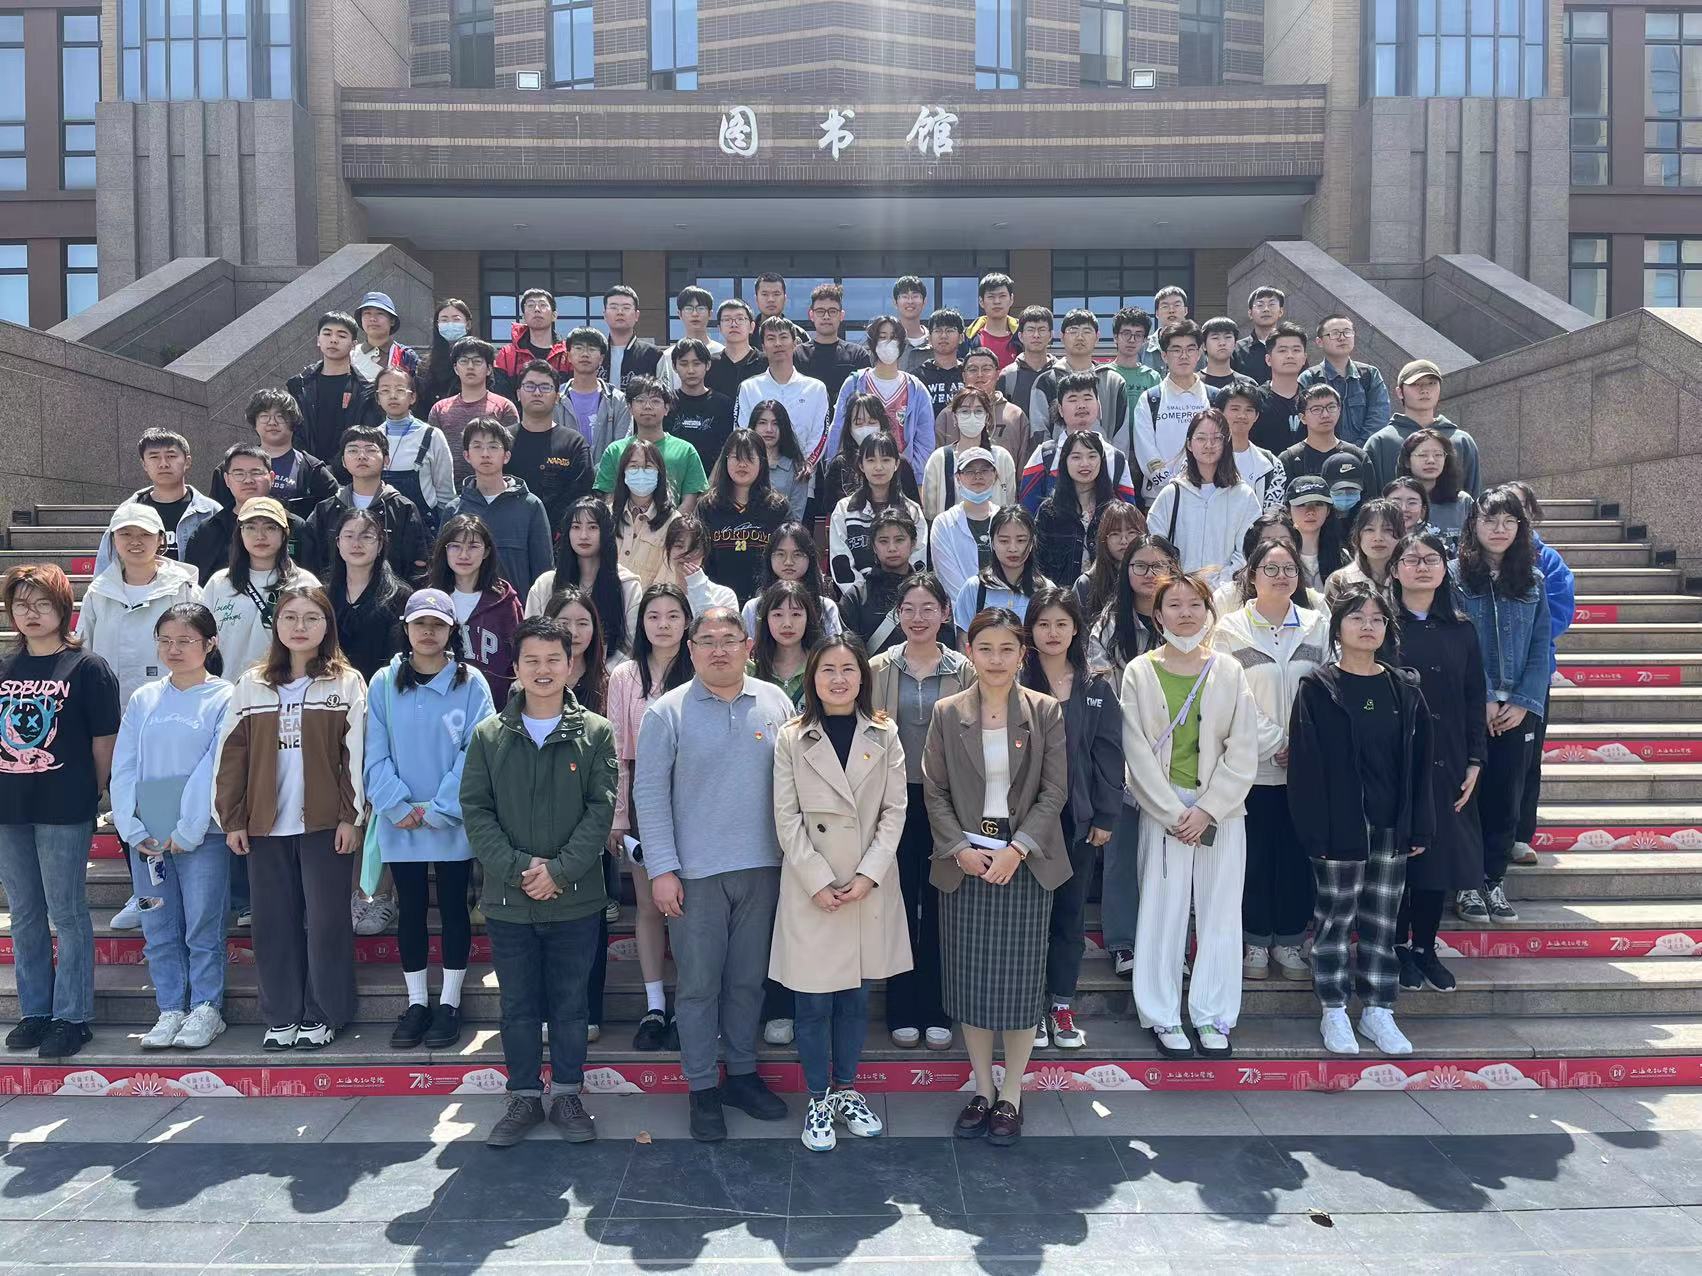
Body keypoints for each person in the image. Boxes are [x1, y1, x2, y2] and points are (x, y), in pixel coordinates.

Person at [632, 606, 796, 1142]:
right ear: (691, 649)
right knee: (699, 985)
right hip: (695, 875)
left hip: (764, 868)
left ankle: (742, 1074)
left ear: (748, 646)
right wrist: (662, 869)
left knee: (748, 981)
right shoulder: (666, 712)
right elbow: (649, 794)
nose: (719, 650)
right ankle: (702, 1087)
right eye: (707, 641)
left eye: (729, 639)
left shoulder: (775, 701)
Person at [461, 616, 617, 1148]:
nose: (543, 669)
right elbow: (476, 811)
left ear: (570, 665)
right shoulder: (490, 736)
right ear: (516, 666)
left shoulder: (595, 732)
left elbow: (600, 810)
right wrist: (519, 868)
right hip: (509, 899)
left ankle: (568, 1095)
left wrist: (559, 871)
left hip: (576, 898)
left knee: (572, 1004)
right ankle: (524, 1096)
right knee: (518, 1005)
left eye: (554, 659)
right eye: (532, 660)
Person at [923, 608, 1068, 1144]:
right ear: (969, 651)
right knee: (973, 984)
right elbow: (934, 790)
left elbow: (1055, 790)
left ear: (1022, 654)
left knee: (1021, 986)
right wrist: (959, 849)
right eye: (985, 648)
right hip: (967, 864)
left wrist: (1019, 847)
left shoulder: (1044, 711)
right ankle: (982, 1089)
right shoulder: (946, 712)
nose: (996, 659)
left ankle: (1012, 1095)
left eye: (1007, 649)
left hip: (1023, 863)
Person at [772, 637, 909, 1151]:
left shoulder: (885, 733)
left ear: (862, 677)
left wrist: (869, 875)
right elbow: (786, 817)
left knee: (856, 998)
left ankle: (847, 1089)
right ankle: (817, 1097)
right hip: (813, 889)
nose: (838, 679)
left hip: (866, 887)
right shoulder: (792, 737)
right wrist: (817, 879)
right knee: (811, 1004)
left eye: (848, 669)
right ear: (812, 677)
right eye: (827, 669)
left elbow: (895, 811)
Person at [214, 585, 365, 1050]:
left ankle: (325, 1012)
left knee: (326, 922)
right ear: (276, 625)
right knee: (272, 922)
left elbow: (356, 755)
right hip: (265, 824)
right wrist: (232, 818)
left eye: (311, 618)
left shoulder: (346, 683)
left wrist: (351, 817)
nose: (300, 627)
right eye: (290, 617)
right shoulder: (252, 683)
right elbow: (230, 756)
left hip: (325, 823)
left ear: (327, 625)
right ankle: (282, 1014)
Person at [1287, 583, 1433, 1057]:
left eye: (1376, 618)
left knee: (1382, 922)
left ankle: (1378, 1009)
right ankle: (1333, 1008)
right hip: (1339, 825)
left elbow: (1420, 763)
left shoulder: (1404, 689)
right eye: (1356, 617)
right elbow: (1305, 766)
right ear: (1337, 628)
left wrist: (1419, 824)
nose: (1367, 626)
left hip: (1391, 823)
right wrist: (1314, 831)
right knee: (1334, 920)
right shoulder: (1318, 688)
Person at [1122, 568, 1259, 1061]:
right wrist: (1171, 811)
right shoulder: (1139, 671)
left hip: (1221, 812)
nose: (1185, 614)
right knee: (1163, 910)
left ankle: (1213, 1014)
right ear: (1157, 615)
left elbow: (1243, 748)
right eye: (1174, 605)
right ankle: (1162, 1013)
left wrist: (1208, 809)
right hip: (1163, 812)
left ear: (1209, 611)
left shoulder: (1229, 670)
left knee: (1220, 912)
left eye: (1195, 604)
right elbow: (1136, 750)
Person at [365, 589, 495, 1051]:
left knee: (456, 908)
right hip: (400, 821)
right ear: (406, 628)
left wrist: (440, 809)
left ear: (451, 630)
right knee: (412, 909)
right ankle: (417, 1002)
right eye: (420, 623)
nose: (428, 632)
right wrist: (397, 805)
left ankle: (450, 1002)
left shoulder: (471, 683)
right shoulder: (383, 681)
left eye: (437, 624)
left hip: (451, 821)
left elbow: (477, 751)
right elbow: (373, 750)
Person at [0, 565, 119, 1060]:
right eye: (21, 604)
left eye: (42, 604)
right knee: (24, 912)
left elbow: (104, 741)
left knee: (66, 912)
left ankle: (72, 1016)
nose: (31, 614)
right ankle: (35, 1011)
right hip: (8, 807)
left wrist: (91, 793)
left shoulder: (87, 668)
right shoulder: (5, 667)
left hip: (63, 806)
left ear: (64, 609)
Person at [110, 602, 233, 1050]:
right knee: (156, 922)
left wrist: (188, 828)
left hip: (202, 834)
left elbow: (214, 767)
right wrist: (131, 826)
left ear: (210, 643)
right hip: (147, 834)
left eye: (185, 641)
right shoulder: (145, 698)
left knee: (203, 924)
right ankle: (170, 1008)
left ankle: (206, 1008)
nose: (174, 649)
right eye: (165, 641)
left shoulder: (225, 697)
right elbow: (124, 764)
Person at [1211, 539, 1328, 983]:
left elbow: (1328, 686)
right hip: (1252, 767)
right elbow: (1230, 694)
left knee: (1297, 856)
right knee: (1255, 856)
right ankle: (1256, 941)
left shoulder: (1317, 625)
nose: (1281, 577)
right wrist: (1276, 741)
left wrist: (1302, 744)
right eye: (1271, 569)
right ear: (1252, 575)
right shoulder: (1231, 629)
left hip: (1305, 766)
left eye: (1289, 569)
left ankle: (1291, 940)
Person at [870, 574, 972, 1050]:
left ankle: (937, 1006)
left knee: (938, 906)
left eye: (928, 608)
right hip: (892, 803)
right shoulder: (877, 668)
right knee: (897, 904)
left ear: (945, 613)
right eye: (908, 608)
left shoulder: (964, 670)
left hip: (947, 804)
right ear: (897, 614)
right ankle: (901, 1006)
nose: (918, 617)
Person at [1020, 587, 1121, 1050]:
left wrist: (1105, 815)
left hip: (1076, 822)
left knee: (1068, 916)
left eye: (1061, 623)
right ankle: (1029, 1007)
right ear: (1030, 630)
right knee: (1027, 919)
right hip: (1025, 824)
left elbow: (1108, 755)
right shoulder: (1014, 682)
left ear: (1076, 629)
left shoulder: (1095, 687)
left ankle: (1060, 1004)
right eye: (1043, 624)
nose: (1052, 633)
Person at [1391, 529, 1484, 994]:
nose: (1422, 567)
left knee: (1436, 861)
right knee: (1398, 862)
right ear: (1395, 569)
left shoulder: (1462, 628)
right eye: (1412, 559)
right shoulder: (1382, 625)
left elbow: (1474, 696)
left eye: (1431, 559)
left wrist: (1475, 759)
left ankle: (1425, 948)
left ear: (1445, 569)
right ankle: (1395, 948)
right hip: (1395, 758)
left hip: (1448, 759)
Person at [1452, 488, 1550, 925]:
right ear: (1473, 524)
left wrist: (1525, 702)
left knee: (1507, 797)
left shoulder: (1533, 579)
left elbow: (1540, 646)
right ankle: (1467, 883)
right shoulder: (1453, 576)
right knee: (1467, 796)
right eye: (1490, 520)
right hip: (1471, 704)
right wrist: (1487, 696)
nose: (1499, 529)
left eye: (1509, 521)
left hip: (1519, 710)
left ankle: (1493, 880)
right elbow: (1459, 640)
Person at [1086, 534, 1181, 976]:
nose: (1148, 574)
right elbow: (1101, 687)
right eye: (1139, 566)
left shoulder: (1186, 616)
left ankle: (1169, 943)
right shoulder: (1109, 624)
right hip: (1123, 751)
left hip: (1180, 755)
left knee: (1170, 857)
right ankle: (1123, 941)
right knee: (1122, 853)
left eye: (1158, 565)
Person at [607, 583, 694, 1049]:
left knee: (690, 906)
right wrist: (619, 816)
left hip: (696, 795)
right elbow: (618, 752)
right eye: (653, 616)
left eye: (673, 615)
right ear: (641, 623)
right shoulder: (625, 676)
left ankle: (691, 1003)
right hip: (645, 796)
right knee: (648, 904)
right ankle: (655, 1005)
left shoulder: (700, 666)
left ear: (687, 621)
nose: (663, 624)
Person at [1508, 481, 1575, 867]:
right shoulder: (1474, 562)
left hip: (1532, 673)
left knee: (1527, 758)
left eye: (1517, 509)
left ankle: (1520, 835)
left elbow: (1559, 613)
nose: (1508, 519)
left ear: (1530, 515)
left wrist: (1517, 641)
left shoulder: (1547, 561)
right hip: (1485, 677)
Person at [78, 502, 203, 708]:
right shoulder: (98, 593)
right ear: (113, 539)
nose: (135, 541)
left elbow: (204, 646)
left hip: (173, 702)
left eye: (145, 534)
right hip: (110, 704)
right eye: (125, 534)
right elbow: (84, 649)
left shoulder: (184, 589)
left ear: (160, 538)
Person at [202, 497, 322, 679]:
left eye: (270, 527)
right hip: (230, 688)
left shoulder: (304, 583)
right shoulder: (219, 583)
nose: (260, 536)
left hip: (288, 687)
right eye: (251, 527)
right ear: (240, 533)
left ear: (285, 534)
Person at [1145, 409, 1261, 588]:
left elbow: (1248, 550)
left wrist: (1220, 585)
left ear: (1226, 442)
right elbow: (1155, 546)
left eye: (1217, 438)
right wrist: (1181, 583)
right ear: (1189, 444)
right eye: (1201, 438)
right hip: (1178, 592)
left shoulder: (1244, 496)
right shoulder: (1172, 494)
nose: (1209, 445)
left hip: (1228, 595)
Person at [300, 425, 429, 582]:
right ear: (343, 461)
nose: (361, 456)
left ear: (386, 460)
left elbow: (417, 563)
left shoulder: (403, 508)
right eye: (353, 450)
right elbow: (311, 562)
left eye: (370, 450)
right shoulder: (326, 509)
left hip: (391, 593)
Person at [446, 419, 553, 596]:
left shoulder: (530, 506)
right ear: (466, 455)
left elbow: (544, 573)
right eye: (477, 446)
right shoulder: (454, 510)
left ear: (507, 456)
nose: (485, 454)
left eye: (493, 447)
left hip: (517, 609)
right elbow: (443, 570)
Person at [92, 429, 222, 574]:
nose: (163, 464)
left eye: (171, 456)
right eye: (154, 457)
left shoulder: (211, 511)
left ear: (187, 461)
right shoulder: (127, 512)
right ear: (144, 464)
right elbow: (105, 568)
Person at [526, 497, 641, 656]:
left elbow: (632, 645)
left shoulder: (627, 585)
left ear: (606, 532)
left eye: (593, 527)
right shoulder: (545, 584)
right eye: (576, 527)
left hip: (610, 668)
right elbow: (531, 639)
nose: (584, 535)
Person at [430, 514, 524, 707]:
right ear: (444, 550)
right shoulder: (431, 599)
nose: (464, 555)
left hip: (493, 707)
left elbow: (519, 657)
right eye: (455, 546)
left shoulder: (505, 603)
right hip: (438, 705)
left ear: (486, 551)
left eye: (473, 547)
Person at [829, 316, 936, 480]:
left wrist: (912, 476)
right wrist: (837, 472)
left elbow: (925, 442)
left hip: (902, 479)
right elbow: (838, 431)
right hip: (858, 478)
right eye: (882, 336)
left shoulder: (916, 389)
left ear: (902, 343)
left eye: (894, 337)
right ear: (873, 342)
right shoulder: (854, 383)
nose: (888, 342)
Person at [1018, 371, 1139, 512]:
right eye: (1073, 399)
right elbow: (1028, 513)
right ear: (1060, 409)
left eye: (1087, 398)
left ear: (1098, 406)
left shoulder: (1115, 458)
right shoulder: (1044, 455)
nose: (1081, 405)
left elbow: (1127, 515)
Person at [186, 444, 307, 584]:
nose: (248, 480)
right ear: (226, 480)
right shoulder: (208, 530)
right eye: (239, 474)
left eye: (256, 472)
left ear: (272, 477)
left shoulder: (295, 525)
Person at [699, 427, 793, 604]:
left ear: (762, 462)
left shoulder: (778, 508)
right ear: (725, 460)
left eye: (749, 457)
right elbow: (700, 558)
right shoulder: (708, 506)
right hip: (717, 600)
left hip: (765, 601)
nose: (742, 464)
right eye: (736, 457)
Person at [829, 432, 929, 591]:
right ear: (861, 465)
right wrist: (862, 597)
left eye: (886, 460)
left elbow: (918, 562)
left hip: (904, 598)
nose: (878, 467)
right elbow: (841, 563)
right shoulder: (844, 510)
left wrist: (902, 596)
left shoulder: (912, 511)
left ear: (896, 464)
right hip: (858, 599)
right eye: (871, 460)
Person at [1365, 359, 1481, 496]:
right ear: (1400, 392)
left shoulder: (1462, 440)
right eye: (1415, 384)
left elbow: (1474, 496)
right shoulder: (1380, 442)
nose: (1424, 390)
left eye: (1431, 383)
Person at [594, 375, 709, 512]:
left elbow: (691, 500)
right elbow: (608, 498)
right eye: (640, 400)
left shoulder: (685, 451)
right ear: (629, 407)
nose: (647, 406)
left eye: (655, 401)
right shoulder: (615, 450)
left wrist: (670, 523)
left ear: (667, 408)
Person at [220, 389, 337, 521]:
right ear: (255, 422)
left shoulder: (312, 469)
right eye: (264, 416)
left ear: (293, 422)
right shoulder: (231, 466)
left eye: (280, 416)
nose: (272, 422)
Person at [506, 360, 594, 535]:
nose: (537, 392)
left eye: (545, 387)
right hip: (510, 533)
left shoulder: (574, 443)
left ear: (557, 397)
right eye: (530, 386)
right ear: (518, 393)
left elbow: (581, 494)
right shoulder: (503, 440)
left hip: (560, 536)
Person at [322, 507, 408, 684]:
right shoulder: (322, 597)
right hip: (328, 689)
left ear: (380, 545)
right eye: (349, 536)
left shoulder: (399, 597)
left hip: (381, 690)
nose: (356, 544)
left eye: (366, 537)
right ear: (338, 543)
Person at [1129, 320, 1212, 502]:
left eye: (1190, 349)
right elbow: (1146, 450)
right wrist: (1172, 486)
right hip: (1159, 497)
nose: (1184, 356)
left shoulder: (1213, 397)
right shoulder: (1150, 399)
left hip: (1207, 494)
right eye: (1176, 350)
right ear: (1164, 356)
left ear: (1199, 354)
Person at [737, 316, 831, 475]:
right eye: (771, 338)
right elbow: (743, 433)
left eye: (783, 337)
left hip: (803, 478)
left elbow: (821, 434)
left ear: (795, 344)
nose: (778, 343)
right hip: (759, 476)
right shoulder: (749, 388)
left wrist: (807, 464)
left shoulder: (816, 388)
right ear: (763, 347)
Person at [812, 392, 923, 525]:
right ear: (849, 428)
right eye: (859, 423)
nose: (865, 428)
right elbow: (832, 514)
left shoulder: (901, 464)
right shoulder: (839, 465)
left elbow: (914, 512)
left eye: (871, 422)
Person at [1030, 309, 1128, 455]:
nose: (1080, 337)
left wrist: (1113, 462)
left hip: (1105, 461)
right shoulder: (1046, 381)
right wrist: (1053, 461)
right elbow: (1039, 431)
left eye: (1087, 331)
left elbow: (1122, 434)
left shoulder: (1113, 381)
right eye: (1073, 331)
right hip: (1057, 464)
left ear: (1097, 337)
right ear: (1062, 337)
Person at [288, 311, 381, 461]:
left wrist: (337, 466)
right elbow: (293, 432)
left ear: (353, 344)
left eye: (342, 336)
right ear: (318, 340)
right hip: (305, 468)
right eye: (327, 334)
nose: (333, 340)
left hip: (350, 468)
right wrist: (310, 466)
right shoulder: (299, 386)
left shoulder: (366, 391)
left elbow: (367, 436)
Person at [373, 367, 457, 532]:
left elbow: (445, 493)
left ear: (412, 397)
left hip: (424, 529)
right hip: (380, 527)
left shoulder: (431, 436)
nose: (393, 396)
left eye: (400, 390)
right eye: (385, 390)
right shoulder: (372, 438)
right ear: (377, 398)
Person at [428, 336, 520, 485]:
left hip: (493, 489)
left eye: (477, 361)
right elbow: (433, 455)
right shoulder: (439, 409)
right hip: (448, 490)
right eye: (464, 361)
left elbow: (512, 453)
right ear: (456, 368)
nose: (470, 367)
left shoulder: (504, 407)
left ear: (489, 369)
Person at [1035, 430, 1119, 587]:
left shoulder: (1114, 512)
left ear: (1102, 461)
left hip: (1104, 597)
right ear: (1064, 462)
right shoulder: (1049, 511)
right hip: (1059, 597)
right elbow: (1038, 563)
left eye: (1092, 456)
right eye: (1076, 457)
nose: (1085, 463)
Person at [953, 506, 1050, 638]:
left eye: (1021, 540)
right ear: (992, 542)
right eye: (1004, 541)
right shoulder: (974, 588)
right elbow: (964, 642)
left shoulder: (1046, 590)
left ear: (1032, 542)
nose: (1013, 548)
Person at [1297, 315, 1391, 446]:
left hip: (1366, 452)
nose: (1342, 338)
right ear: (1319, 342)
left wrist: (1357, 450)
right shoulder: (1310, 377)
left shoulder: (1369, 374)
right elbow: (1306, 422)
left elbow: (1379, 417)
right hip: (1324, 452)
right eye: (1334, 333)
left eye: (1347, 332)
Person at [742, 521, 844, 640]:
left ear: (810, 558)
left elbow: (834, 649)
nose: (788, 562)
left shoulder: (826, 607)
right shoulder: (753, 608)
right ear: (769, 558)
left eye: (797, 554)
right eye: (780, 554)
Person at [834, 509, 916, 654]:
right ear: (873, 546)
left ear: (913, 543)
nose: (892, 548)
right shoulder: (856, 597)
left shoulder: (929, 593)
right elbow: (847, 652)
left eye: (899, 540)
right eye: (883, 541)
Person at [930, 448, 1002, 602]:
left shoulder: (1006, 519)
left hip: (1005, 609)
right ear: (958, 478)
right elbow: (949, 580)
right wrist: (974, 608)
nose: (978, 476)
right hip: (962, 610)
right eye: (969, 471)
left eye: (984, 470)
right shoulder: (944, 523)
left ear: (995, 475)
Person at [554, 327, 633, 463]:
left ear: (601, 359)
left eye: (592, 349)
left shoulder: (617, 400)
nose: (585, 354)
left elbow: (622, 447)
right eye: (579, 348)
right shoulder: (555, 398)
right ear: (569, 356)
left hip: (607, 475)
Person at [610, 437, 680, 588]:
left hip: (649, 601)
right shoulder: (606, 515)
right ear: (623, 473)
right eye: (633, 466)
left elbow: (669, 574)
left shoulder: (674, 522)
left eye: (648, 467)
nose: (641, 472)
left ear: (659, 473)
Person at [664, 337, 737, 475]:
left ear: (708, 365)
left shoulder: (724, 405)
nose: (690, 370)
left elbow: (728, 449)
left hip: (714, 481)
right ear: (674, 366)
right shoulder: (666, 403)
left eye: (696, 363)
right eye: (684, 364)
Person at [748, 580, 824, 707]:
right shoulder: (751, 669)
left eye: (796, 614)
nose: (787, 623)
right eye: (778, 614)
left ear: (808, 618)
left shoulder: (822, 666)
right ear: (766, 619)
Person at [797, 282, 873, 409]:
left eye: (832, 311)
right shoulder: (798, 355)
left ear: (841, 315)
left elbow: (865, 399)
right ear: (811, 315)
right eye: (820, 311)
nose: (826, 316)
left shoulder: (857, 355)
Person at [950, 347, 1030, 464]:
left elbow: (1023, 463)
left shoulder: (1015, 415)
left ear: (997, 374)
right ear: (963, 376)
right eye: (973, 370)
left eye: (986, 369)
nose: (980, 375)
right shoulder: (949, 414)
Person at [1397, 428, 1474, 550]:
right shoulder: (1395, 502)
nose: (1431, 461)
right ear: (1407, 461)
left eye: (1438, 455)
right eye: (1423, 455)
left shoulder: (1462, 502)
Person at [1278, 384, 1370, 484]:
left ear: (1339, 411)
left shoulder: (1357, 456)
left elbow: (1370, 493)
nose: (1325, 415)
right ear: (1302, 418)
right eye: (1316, 409)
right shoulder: (1289, 459)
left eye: (1331, 407)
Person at [1324, 497, 1405, 610]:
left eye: (1388, 530)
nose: (1378, 538)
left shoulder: (1410, 576)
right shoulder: (1340, 581)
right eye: (1369, 529)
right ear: (1358, 535)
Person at [1219, 382, 1287, 512]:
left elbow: (1272, 514)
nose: (1242, 416)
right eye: (1235, 409)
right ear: (1220, 412)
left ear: (1256, 416)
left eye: (1249, 410)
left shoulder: (1271, 464)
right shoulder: (1202, 456)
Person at [492, 288, 570, 399]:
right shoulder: (507, 354)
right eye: (530, 305)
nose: (537, 309)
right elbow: (501, 396)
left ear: (554, 316)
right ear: (523, 317)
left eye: (543, 305)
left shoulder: (567, 353)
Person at [1247, 321, 1311, 454]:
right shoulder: (1254, 400)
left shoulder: (1313, 400)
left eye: (1296, 350)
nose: (1290, 355)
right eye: (1282, 350)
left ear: (1304, 358)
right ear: (1268, 359)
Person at [660, 514, 739, 614]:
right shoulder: (660, 595)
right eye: (679, 546)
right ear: (668, 550)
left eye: (694, 548)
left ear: (704, 554)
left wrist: (698, 588)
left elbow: (712, 623)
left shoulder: (724, 596)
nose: (687, 554)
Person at [748, 399, 812, 521]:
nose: (769, 429)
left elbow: (795, 520)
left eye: (775, 423)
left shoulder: (797, 469)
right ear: (753, 426)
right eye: (762, 422)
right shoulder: (740, 462)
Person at [656, 287, 725, 395]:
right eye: (689, 308)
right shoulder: (668, 356)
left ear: (710, 314)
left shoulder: (722, 352)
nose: (695, 313)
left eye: (701, 308)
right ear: (679, 314)